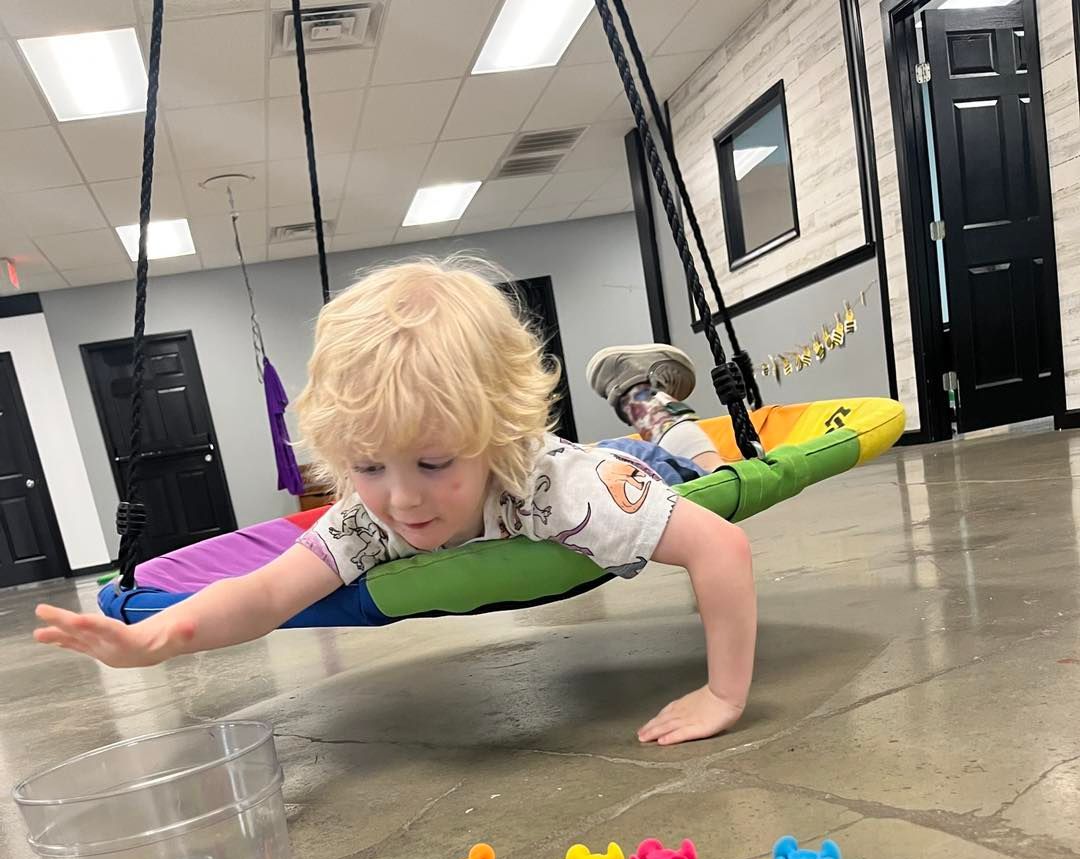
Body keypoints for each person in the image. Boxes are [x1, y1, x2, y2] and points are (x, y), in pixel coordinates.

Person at [33, 258, 755, 746]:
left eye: (434, 462)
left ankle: (650, 402)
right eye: (369, 465)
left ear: (493, 433)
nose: (402, 497)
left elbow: (719, 546)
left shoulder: (563, 489)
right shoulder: (363, 515)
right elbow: (262, 595)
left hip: (633, 469)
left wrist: (724, 695)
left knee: (685, 456)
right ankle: (642, 399)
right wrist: (157, 639)